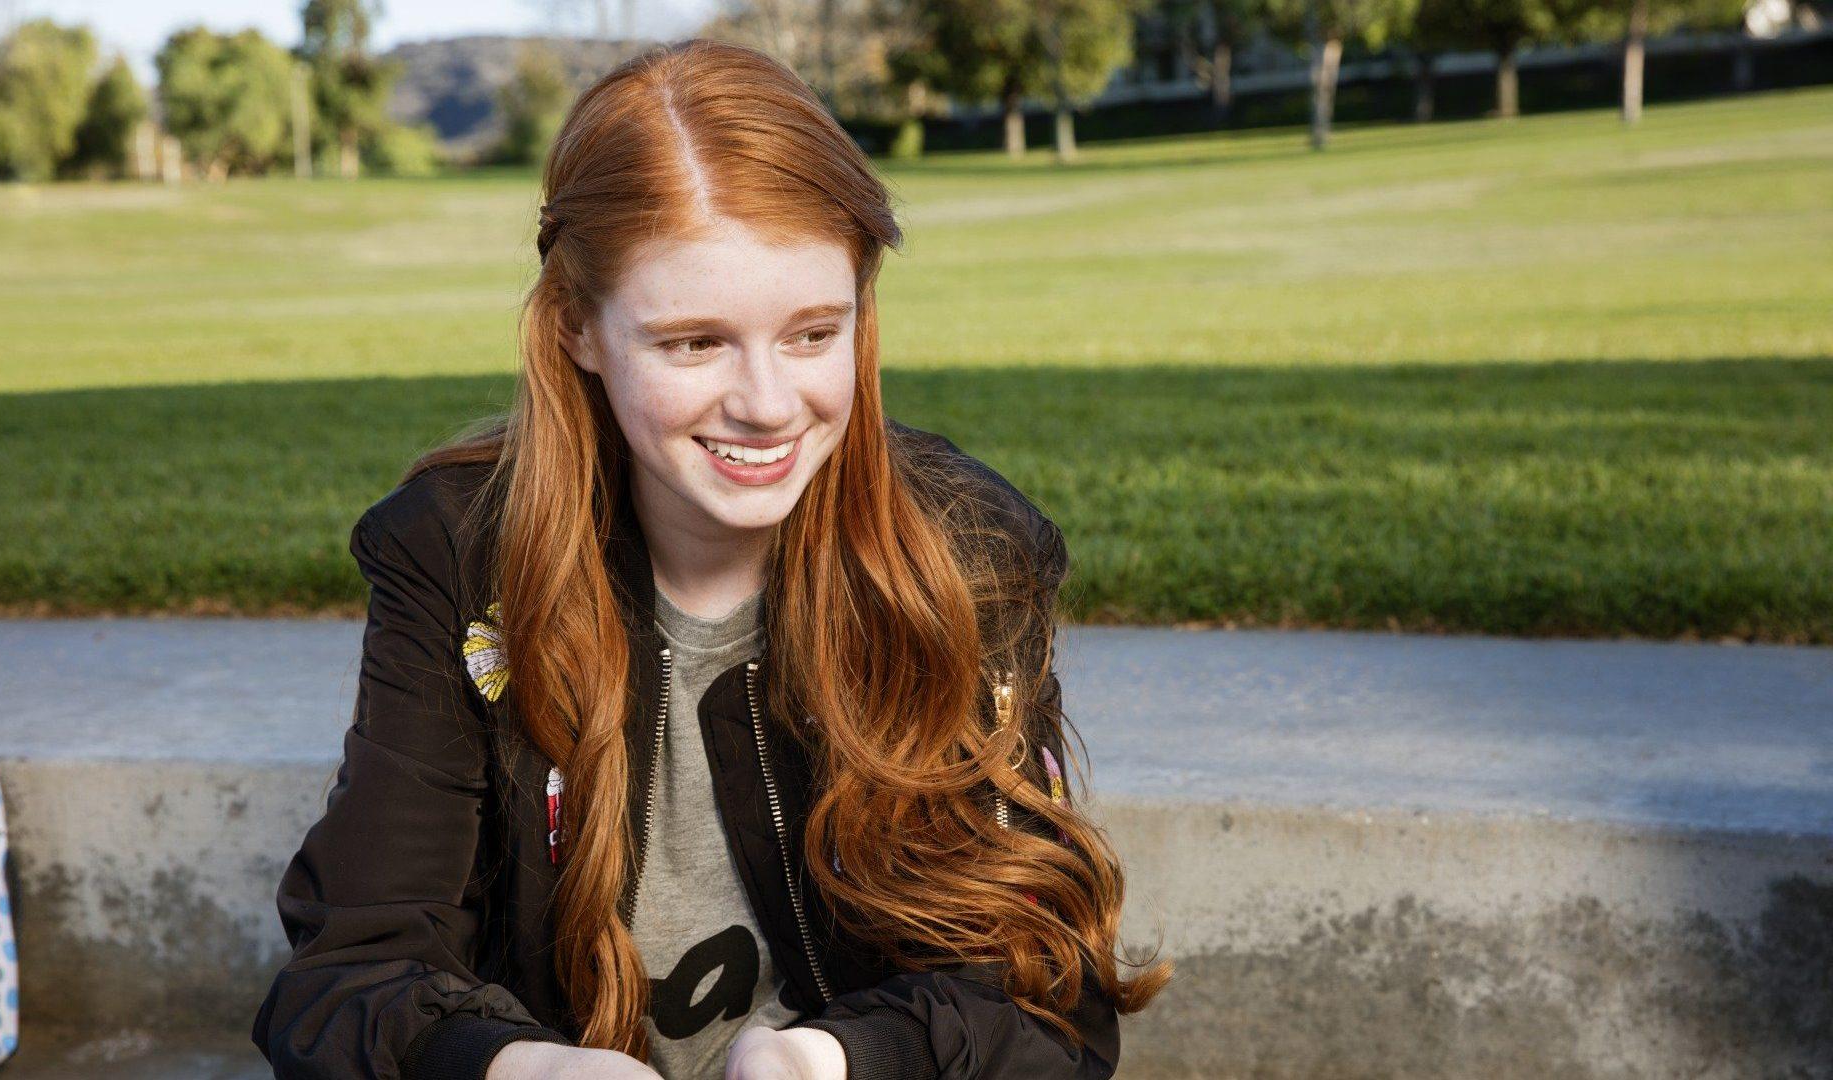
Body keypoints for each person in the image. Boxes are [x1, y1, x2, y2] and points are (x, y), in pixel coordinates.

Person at [251, 38, 1169, 1080]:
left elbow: (1049, 1003)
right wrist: (524, 1069)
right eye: (695, 343)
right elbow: (348, 981)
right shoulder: (458, 559)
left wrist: (837, 1062)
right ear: (576, 330)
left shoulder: (966, 557)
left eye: (813, 333)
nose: (769, 405)